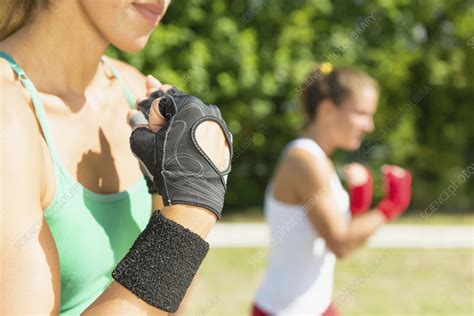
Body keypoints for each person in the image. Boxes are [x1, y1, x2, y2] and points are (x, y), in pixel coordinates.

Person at [0, 1, 232, 315]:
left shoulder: (135, 90)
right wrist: (186, 221)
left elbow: (164, 308)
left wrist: (176, 205)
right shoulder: (7, 115)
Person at [252, 64, 412, 315]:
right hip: (286, 309)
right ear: (328, 109)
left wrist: (359, 202)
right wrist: (391, 205)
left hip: (314, 306)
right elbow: (341, 243)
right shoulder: (304, 161)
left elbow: (328, 237)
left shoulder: (318, 160)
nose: (369, 125)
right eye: (361, 113)